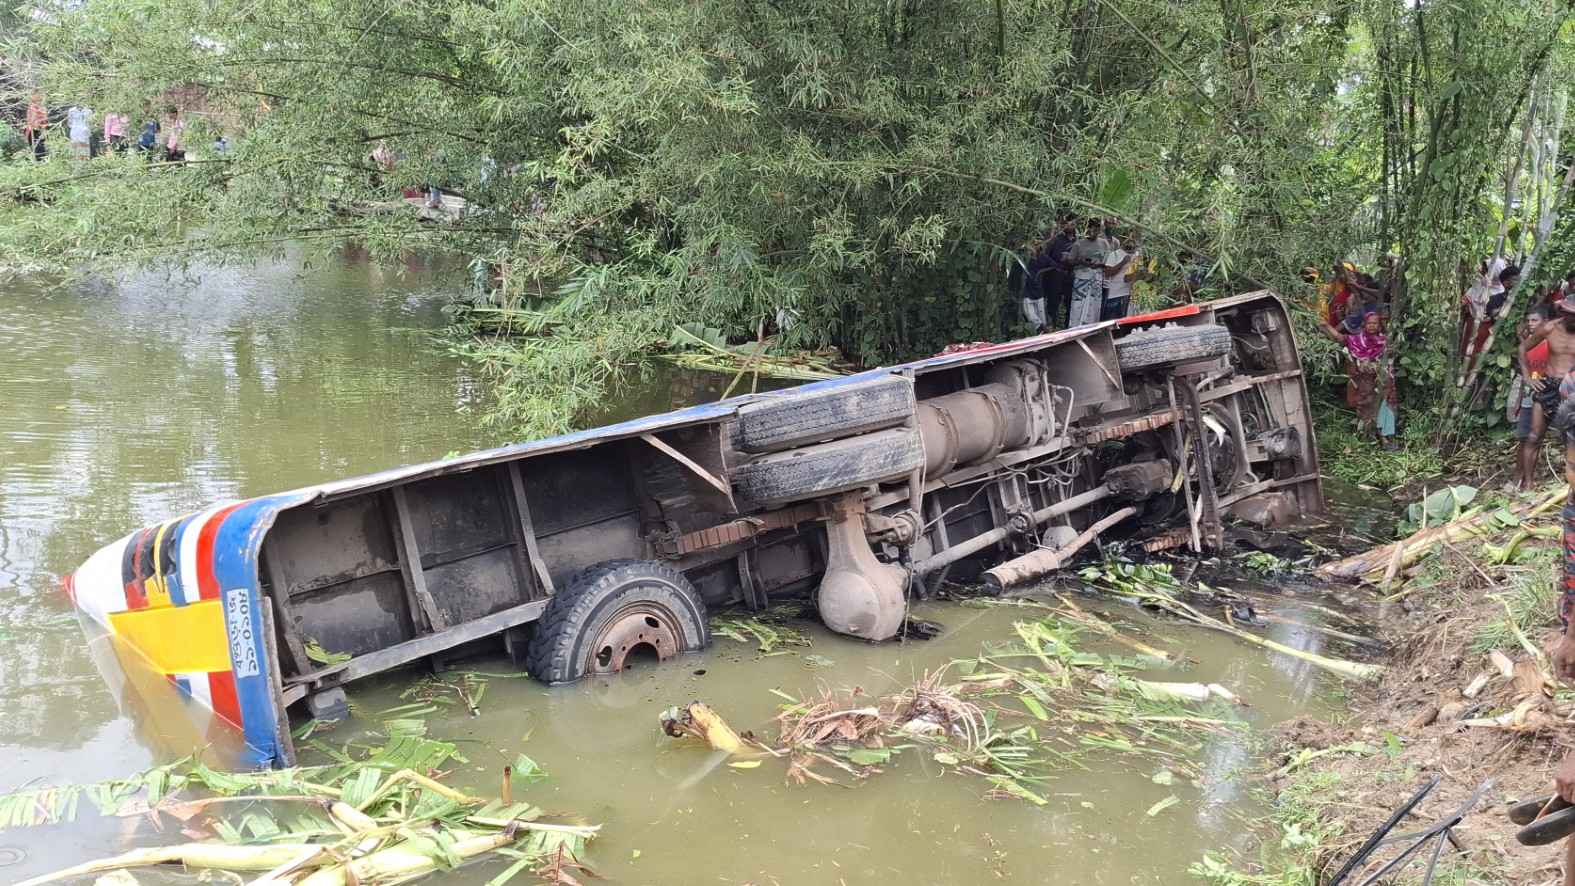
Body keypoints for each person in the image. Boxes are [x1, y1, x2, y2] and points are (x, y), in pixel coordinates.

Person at [1518, 294, 1575, 490]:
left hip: (1572, 389)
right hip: (1548, 385)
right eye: (1569, 314)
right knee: (1534, 436)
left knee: (1570, 441)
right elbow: (1523, 348)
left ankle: (1570, 488)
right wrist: (1527, 377)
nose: (1571, 319)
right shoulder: (1550, 328)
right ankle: (1528, 484)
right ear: (1563, 313)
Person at [1321, 310, 1398, 448]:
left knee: (1383, 407)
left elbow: (1390, 360)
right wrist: (1325, 326)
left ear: (1379, 325)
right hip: (1365, 383)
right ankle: (1369, 438)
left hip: (1382, 383)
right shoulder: (1356, 340)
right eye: (1369, 323)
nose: (1372, 326)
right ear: (1364, 324)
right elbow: (1339, 337)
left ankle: (1385, 438)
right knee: (1367, 408)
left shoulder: (1384, 341)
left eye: (1375, 323)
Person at [1062, 218, 1107, 327]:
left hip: (1096, 279)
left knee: (1094, 306)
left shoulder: (1104, 243)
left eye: (1098, 230)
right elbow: (1070, 261)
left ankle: (1091, 331)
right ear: (1088, 228)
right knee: (1077, 305)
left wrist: (1099, 264)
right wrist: (1081, 261)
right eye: (1093, 229)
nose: (1095, 232)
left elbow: (1108, 261)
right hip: (1081, 279)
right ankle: (1074, 330)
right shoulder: (1079, 244)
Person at [1040, 217, 1077, 330]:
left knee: (1070, 304)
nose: (1068, 225)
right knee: (1053, 303)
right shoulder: (1055, 239)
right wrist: (1056, 265)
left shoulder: (1078, 240)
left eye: (1070, 223)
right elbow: (1045, 256)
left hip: (1071, 276)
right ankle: (1052, 327)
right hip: (1055, 276)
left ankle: (1068, 328)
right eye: (1065, 223)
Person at [1101, 234, 1138, 321]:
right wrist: (1123, 262)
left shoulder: (1136, 256)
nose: (1131, 241)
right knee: (1111, 322)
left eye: (1133, 239)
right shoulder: (1114, 254)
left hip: (1129, 295)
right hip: (1115, 294)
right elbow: (1107, 273)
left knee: (1124, 322)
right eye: (1128, 239)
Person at [24, 93, 47, 161]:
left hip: (38, 129)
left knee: (39, 147)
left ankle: (40, 161)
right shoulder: (32, 108)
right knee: (36, 147)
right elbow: (30, 121)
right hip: (34, 130)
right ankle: (38, 160)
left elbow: (43, 120)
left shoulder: (40, 108)